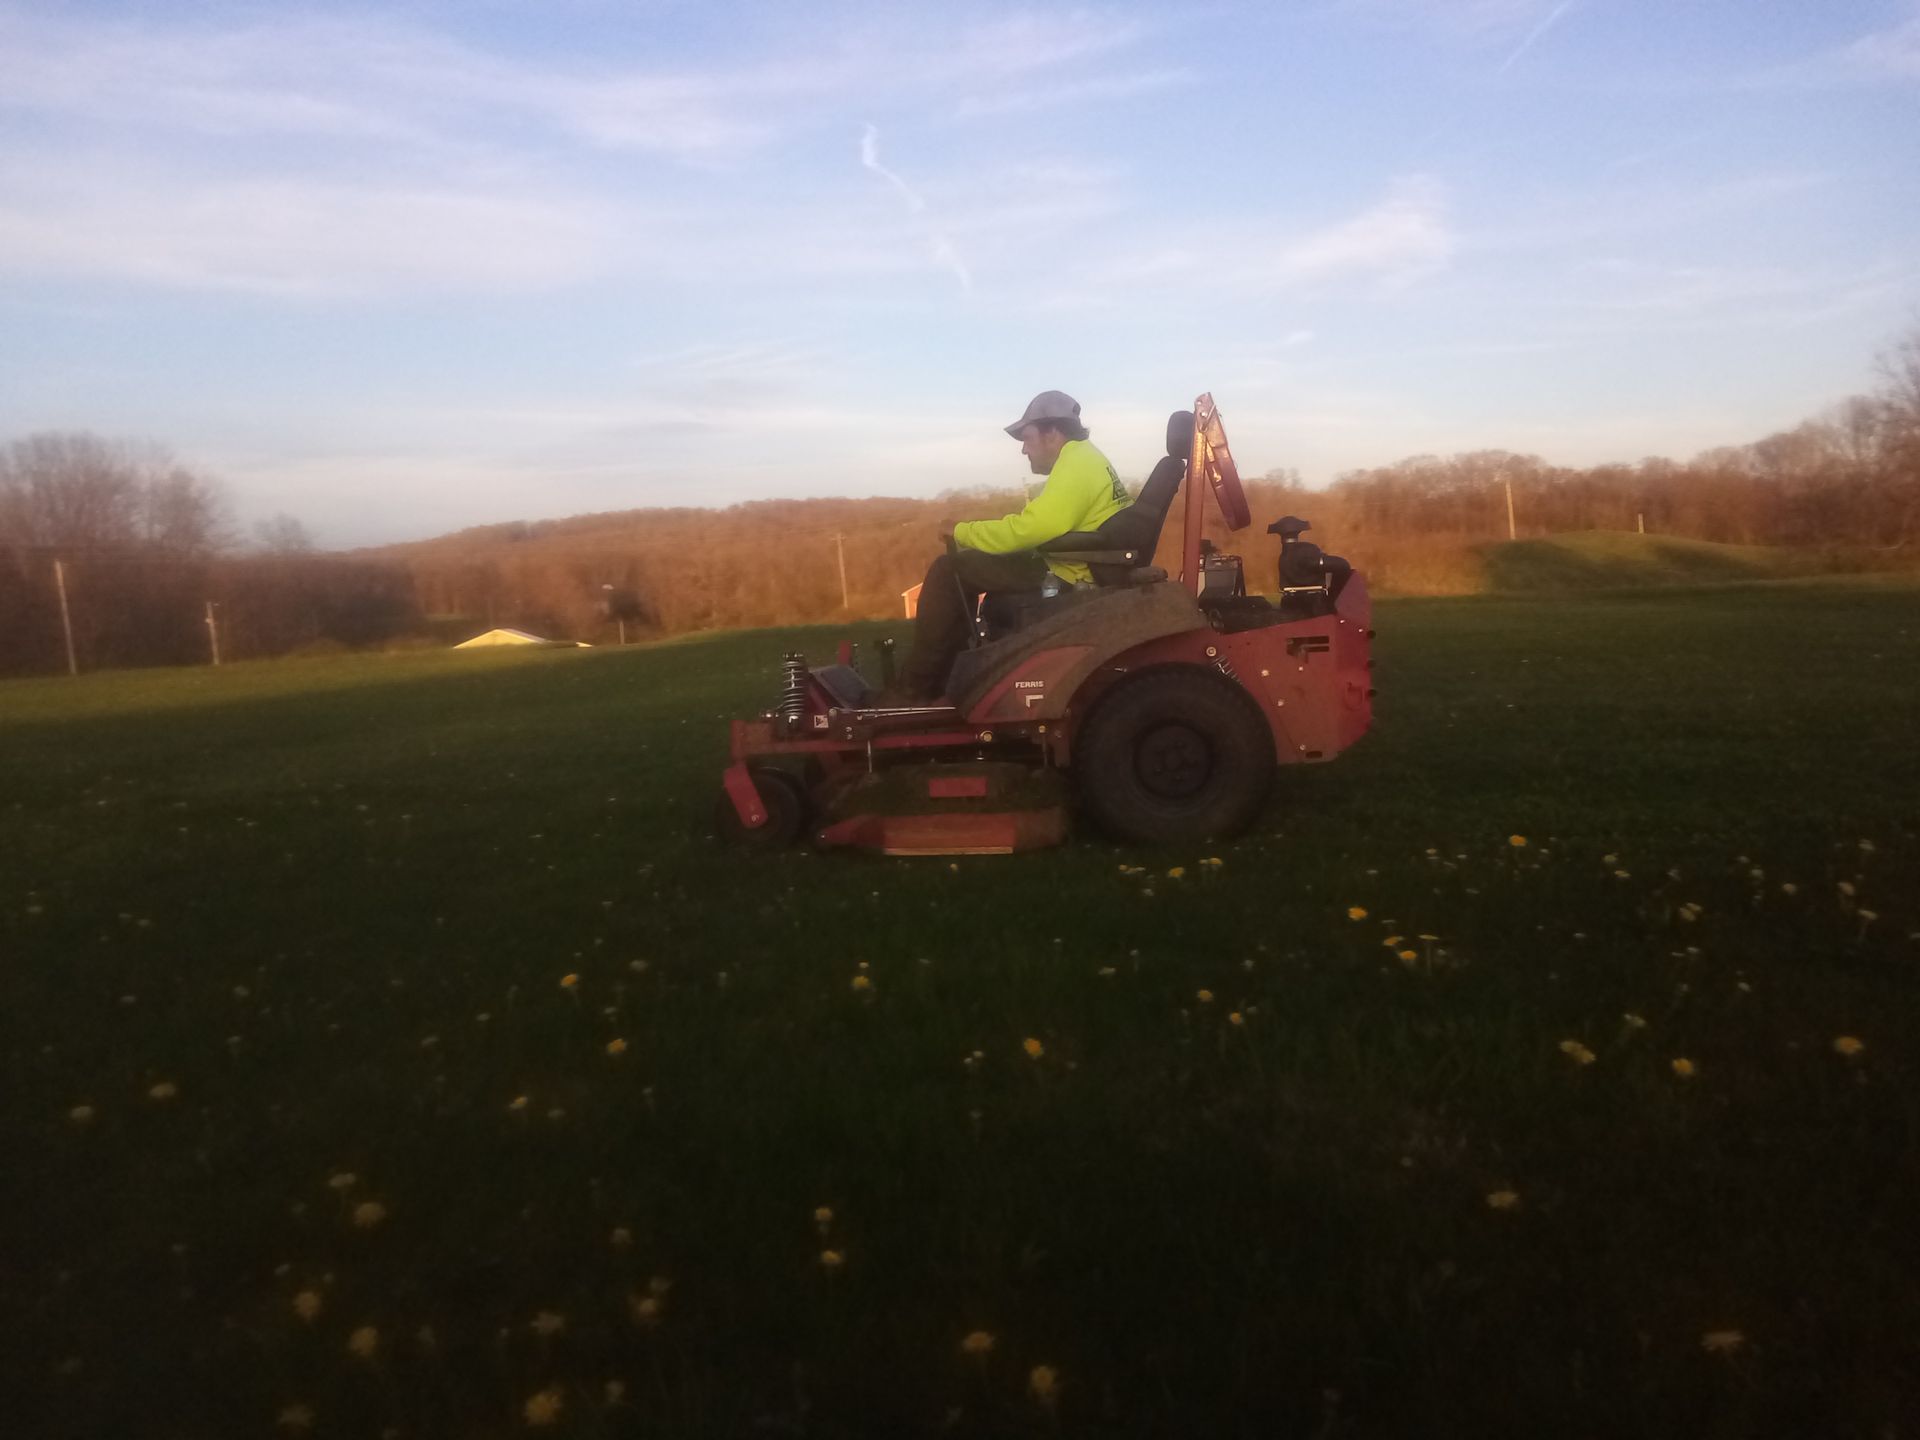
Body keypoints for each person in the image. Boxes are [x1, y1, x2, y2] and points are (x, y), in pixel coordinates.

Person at [894, 390, 1128, 701]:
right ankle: (954, 678)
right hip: (1072, 563)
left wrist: (961, 532)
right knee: (976, 570)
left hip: (1068, 574)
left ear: (1052, 432)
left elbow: (1031, 529)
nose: (1023, 449)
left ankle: (916, 690)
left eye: (1027, 437)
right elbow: (1038, 526)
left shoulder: (1076, 464)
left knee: (949, 570)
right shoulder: (1086, 458)